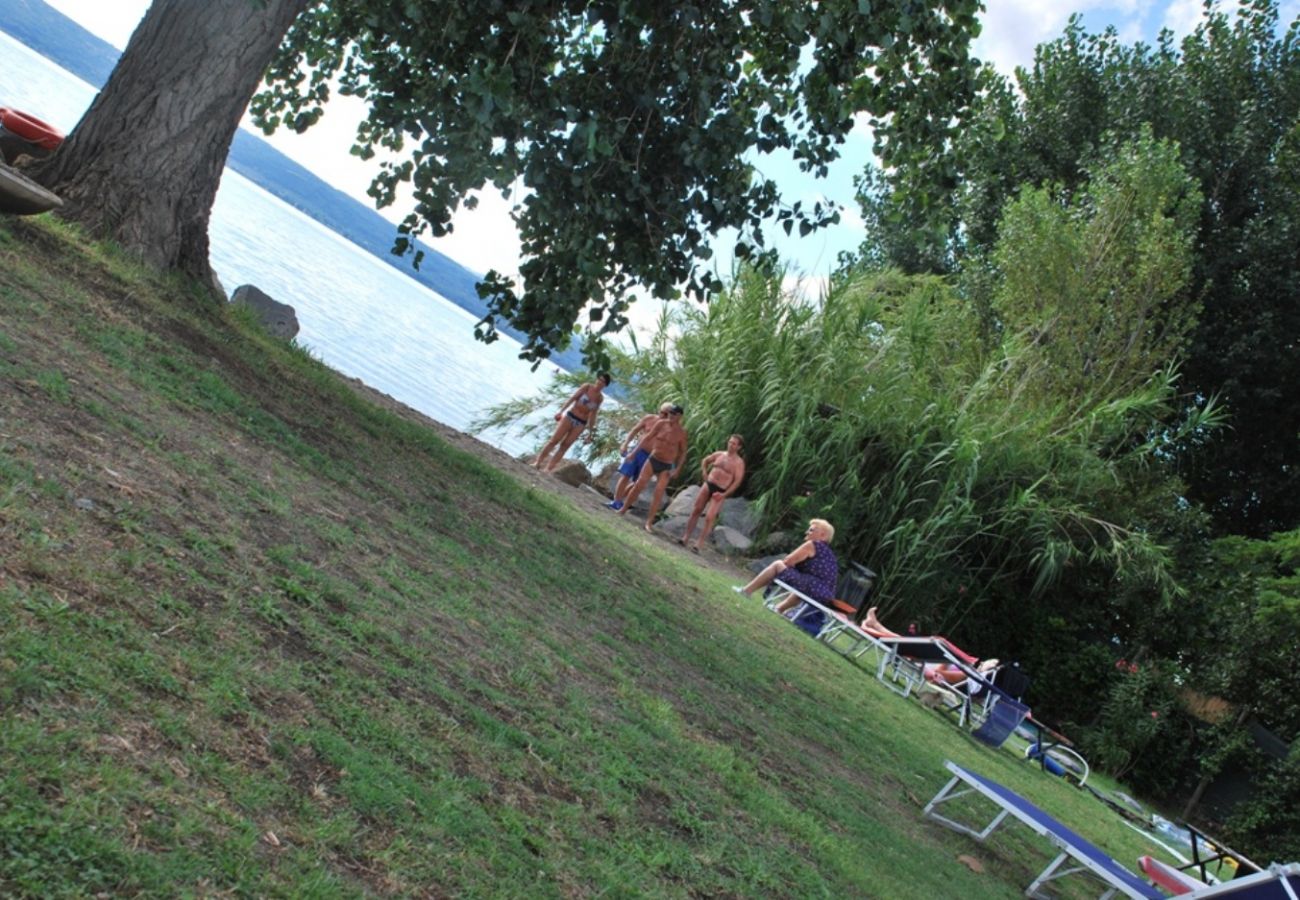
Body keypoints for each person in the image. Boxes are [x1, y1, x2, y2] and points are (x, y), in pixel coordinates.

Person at [859, 607, 994, 687]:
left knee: (901, 641)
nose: (984, 662)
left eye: (991, 665)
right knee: (901, 639)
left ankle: (875, 625)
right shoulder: (967, 668)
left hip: (925, 664)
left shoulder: (968, 676)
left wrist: (943, 667)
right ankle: (875, 624)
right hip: (924, 658)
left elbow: (941, 673)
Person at [732, 519, 838, 613]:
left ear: (822, 535)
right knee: (804, 582)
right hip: (825, 595)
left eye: (811, 530)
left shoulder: (813, 544)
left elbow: (788, 561)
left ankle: (746, 591)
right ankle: (779, 608)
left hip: (812, 587)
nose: (807, 532)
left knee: (778, 564)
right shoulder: (831, 555)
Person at [617, 405, 688, 532]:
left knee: (659, 492)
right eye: (670, 413)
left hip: (666, 464)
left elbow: (683, 452)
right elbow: (647, 438)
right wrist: (633, 453)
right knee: (639, 484)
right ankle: (623, 509)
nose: (670, 416)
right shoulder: (661, 424)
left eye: (674, 414)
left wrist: (677, 469)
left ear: (679, 416)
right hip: (653, 459)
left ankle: (649, 523)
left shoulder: (681, 433)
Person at [679, 434, 746, 551]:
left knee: (710, 517)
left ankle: (699, 543)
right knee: (696, 509)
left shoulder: (739, 463)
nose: (730, 445)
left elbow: (737, 482)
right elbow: (705, 460)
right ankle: (686, 537)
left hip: (721, 489)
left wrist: (724, 494)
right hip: (709, 483)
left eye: (734, 444)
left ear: (739, 447)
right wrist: (704, 472)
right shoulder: (720, 454)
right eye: (730, 442)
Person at [533, 373, 611, 473]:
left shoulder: (600, 398)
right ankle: (538, 462)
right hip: (570, 417)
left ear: (605, 385)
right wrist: (561, 411)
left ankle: (548, 469)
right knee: (554, 441)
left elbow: (593, 414)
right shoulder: (587, 387)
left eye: (603, 382)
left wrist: (591, 432)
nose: (600, 382)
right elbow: (573, 398)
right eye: (599, 379)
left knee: (565, 446)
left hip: (581, 423)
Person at [607, 402, 673, 510]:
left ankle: (621, 501)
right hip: (638, 451)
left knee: (637, 483)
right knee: (625, 475)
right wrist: (625, 444)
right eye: (662, 413)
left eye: (666, 414)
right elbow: (634, 430)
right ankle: (616, 501)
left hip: (651, 457)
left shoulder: (669, 429)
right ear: (659, 411)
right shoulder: (649, 419)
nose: (663, 416)